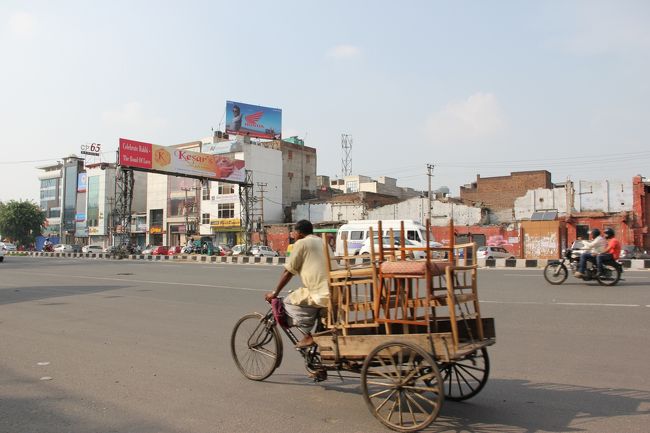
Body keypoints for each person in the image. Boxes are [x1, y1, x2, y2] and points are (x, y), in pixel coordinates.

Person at [265, 220, 336, 348]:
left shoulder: (302, 243)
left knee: (286, 302)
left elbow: (288, 272)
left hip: (319, 293)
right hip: (334, 291)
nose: (293, 235)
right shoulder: (322, 241)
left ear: (299, 233)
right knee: (302, 296)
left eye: (294, 232)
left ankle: (307, 335)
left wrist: (275, 293)